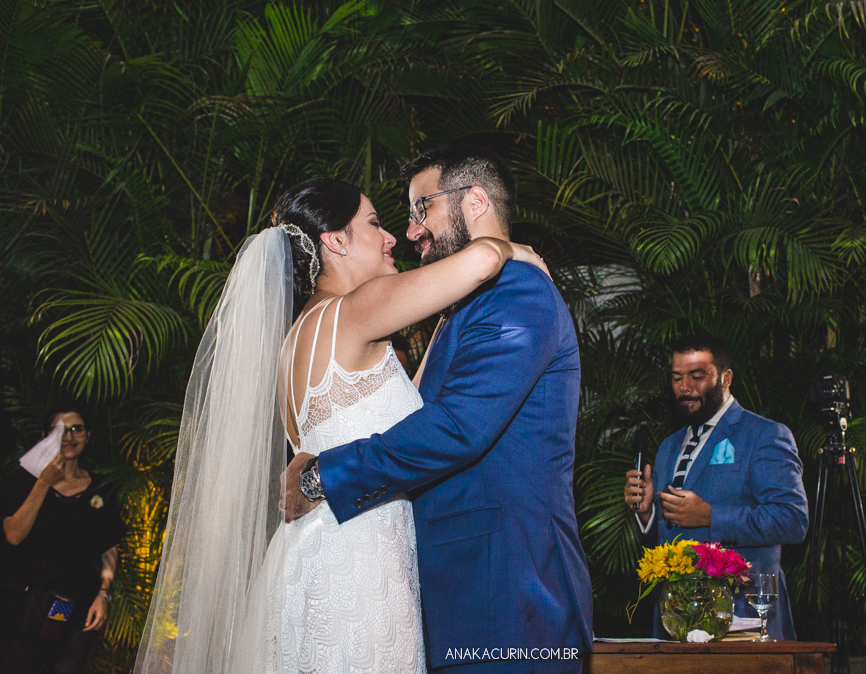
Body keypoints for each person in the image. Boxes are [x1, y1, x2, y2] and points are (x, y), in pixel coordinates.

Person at [134, 177, 549, 673]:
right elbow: (481, 261)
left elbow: (405, 404)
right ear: (334, 240)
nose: (391, 236)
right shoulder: (355, 310)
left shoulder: (298, 337)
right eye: (373, 224)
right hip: (358, 563)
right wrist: (512, 247)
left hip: (310, 554)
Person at [284, 146, 594, 672]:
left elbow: (459, 427)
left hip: (509, 595)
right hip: (447, 591)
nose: (408, 232)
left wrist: (322, 478)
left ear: (474, 200)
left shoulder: (518, 291)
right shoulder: (453, 304)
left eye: (419, 208)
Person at [623, 334, 808, 641]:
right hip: (676, 622)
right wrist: (646, 515)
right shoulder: (669, 446)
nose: (686, 387)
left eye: (698, 376)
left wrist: (710, 515)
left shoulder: (765, 435)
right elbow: (667, 535)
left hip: (744, 619)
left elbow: (792, 521)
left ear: (726, 378)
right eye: (677, 378)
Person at [0, 407, 124, 674]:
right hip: (23, 608)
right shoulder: (22, 480)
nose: (68, 436)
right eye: (59, 429)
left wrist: (103, 594)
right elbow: (13, 535)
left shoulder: (102, 487)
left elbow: (108, 548)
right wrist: (43, 482)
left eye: (76, 429)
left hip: (76, 611)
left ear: (88, 436)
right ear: (46, 436)